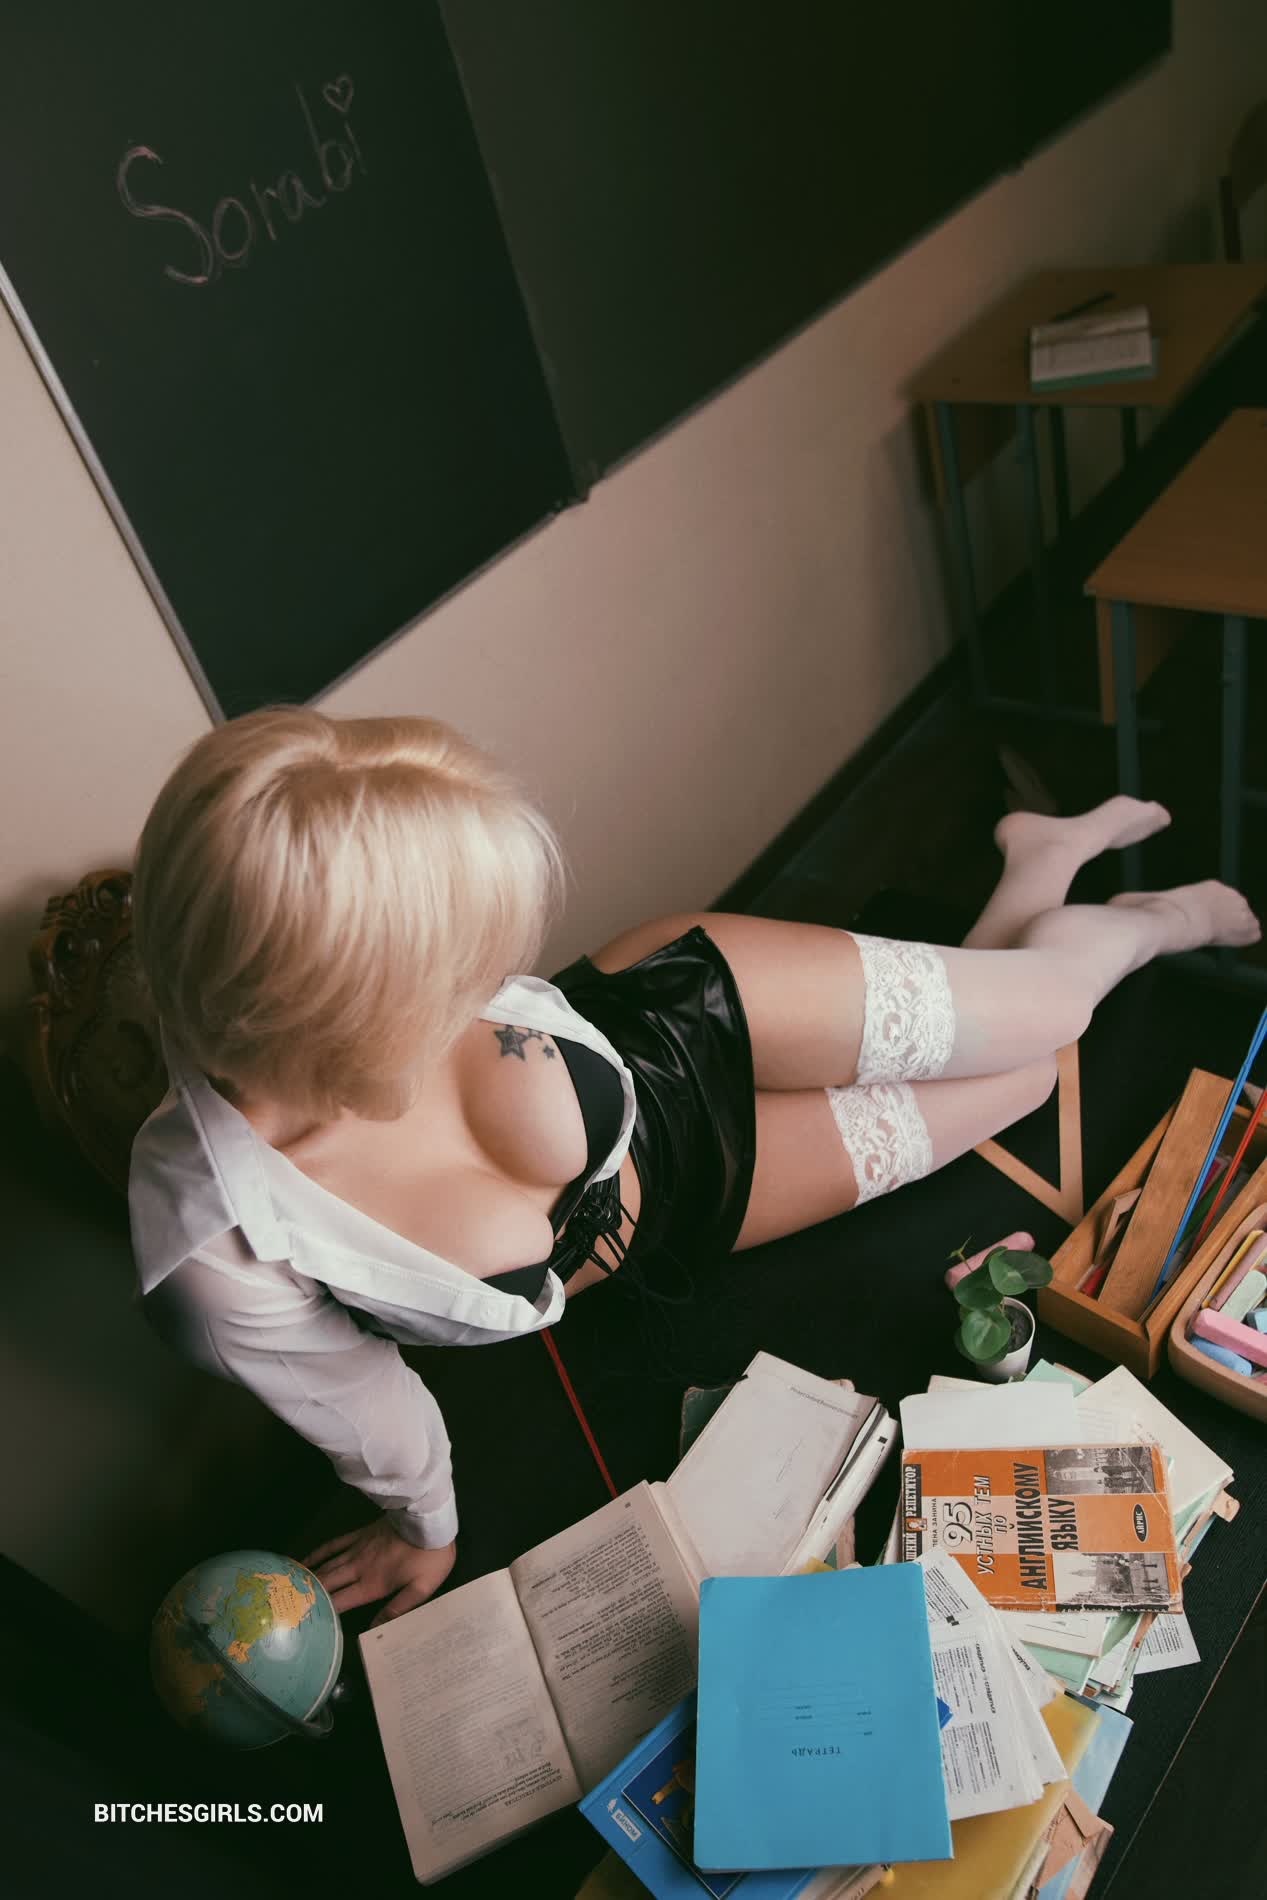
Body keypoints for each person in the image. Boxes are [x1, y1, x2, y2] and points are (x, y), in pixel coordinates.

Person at [127, 708, 1260, 1625]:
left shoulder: (341, 962)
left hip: (681, 1008)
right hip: (686, 1204)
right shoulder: (221, 1255)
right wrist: (426, 1531)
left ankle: (1157, 918)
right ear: (335, 1011)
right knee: (1025, 1079)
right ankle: (1041, 863)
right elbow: (371, 1413)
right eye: (451, 973)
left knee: (1053, 1010)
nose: (486, 985)